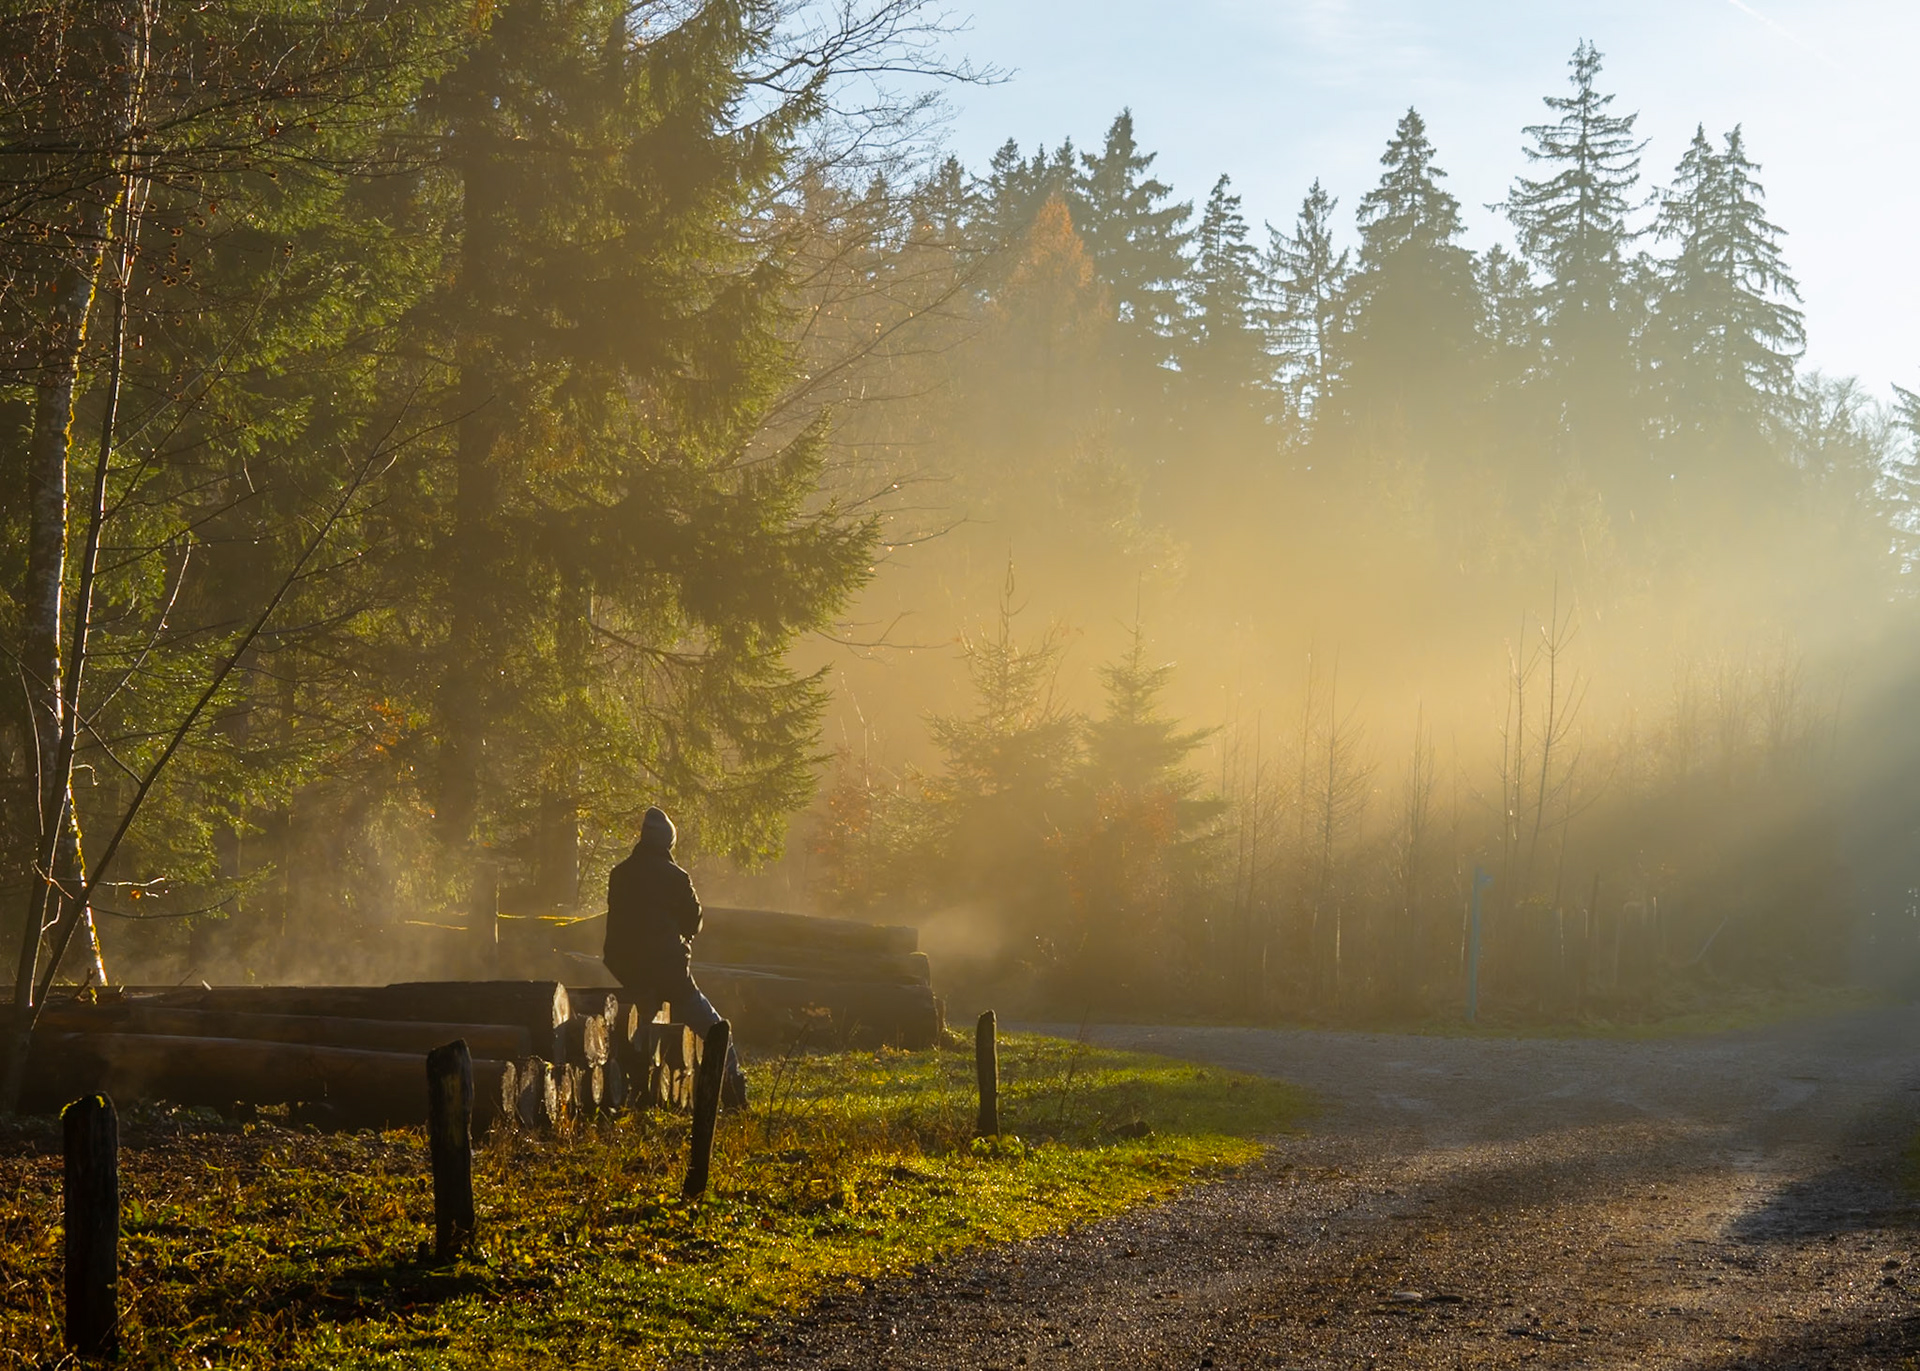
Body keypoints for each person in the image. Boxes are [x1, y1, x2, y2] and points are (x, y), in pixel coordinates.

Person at [602, 805, 747, 1108]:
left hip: (626, 969)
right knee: (716, 1030)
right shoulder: (677, 877)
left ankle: (626, 1093)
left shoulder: (619, 874)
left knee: (635, 1031)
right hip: (669, 974)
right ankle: (733, 1092)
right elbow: (693, 922)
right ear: (669, 842)